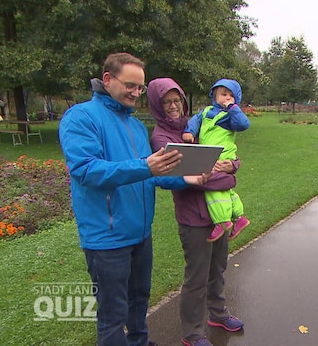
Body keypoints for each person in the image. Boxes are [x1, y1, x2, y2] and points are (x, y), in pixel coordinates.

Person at [59, 53, 208, 346]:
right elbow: (86, 170)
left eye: (140, 88)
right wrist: (145, 166)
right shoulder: (81, 117)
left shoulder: (137, 127)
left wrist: (185, 178)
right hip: (107, 237)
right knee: (112, 315)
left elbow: (151, 173)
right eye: (130, 85)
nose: (135, 93)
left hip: (140, 232)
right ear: (107, 79)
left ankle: (140, 342)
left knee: (139, 301)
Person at [148, 77, 245, 346]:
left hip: (219, 212)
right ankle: (192, 333)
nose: (172, 106)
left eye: (176, 100)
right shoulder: (162, 137)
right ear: (157, 105)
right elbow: (167, 177)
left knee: (218, 267)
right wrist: (218, 178)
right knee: (196, 276)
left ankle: (218, 313)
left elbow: (222, 149)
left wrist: (232, 166)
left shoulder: (199, 123)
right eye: (166, 102)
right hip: (194, 217)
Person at [182, 79, 251, 242]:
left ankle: (222, 221)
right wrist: (190, 132)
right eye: (223, 94)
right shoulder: (206, 112)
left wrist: (233, 108)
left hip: (223, 155)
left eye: (231, 95)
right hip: (209, 155)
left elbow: (243, 124)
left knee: (211, 187)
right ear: (214, 95)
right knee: (225, 189)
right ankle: (239, 217)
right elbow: (195, 121)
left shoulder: (230, 116)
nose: (227, 98)